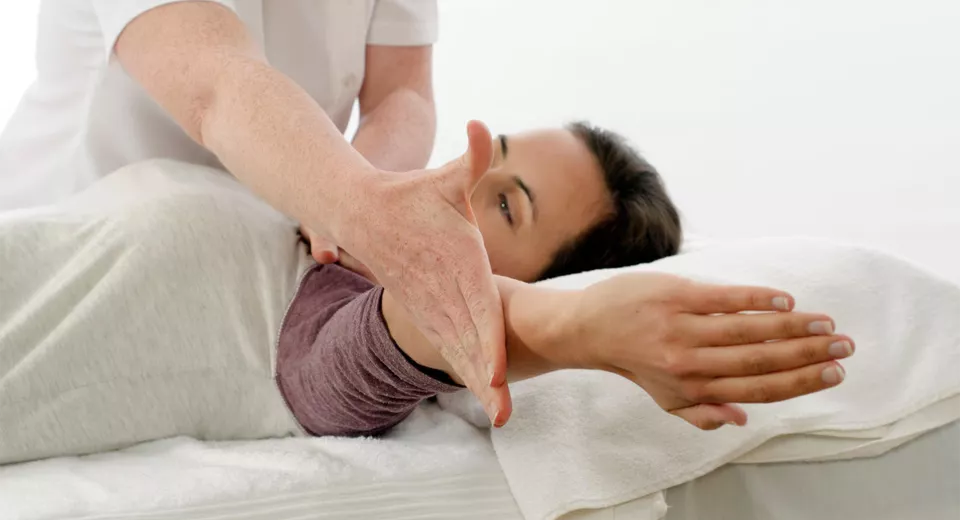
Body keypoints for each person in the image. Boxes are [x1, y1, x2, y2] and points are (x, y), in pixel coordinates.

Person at [0, 121, 855, 465]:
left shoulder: (324, 331)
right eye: (490, 154)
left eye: (506, 205)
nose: (462, 177)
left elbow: (401, 338)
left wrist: (575, 325)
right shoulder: (315, 211)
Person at [0, 0, 514, 428]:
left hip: (254, 254)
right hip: (73, 243)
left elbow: (402, 93)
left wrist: (362, 195)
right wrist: (358, 204)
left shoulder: (316, 300)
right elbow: (213, 83)